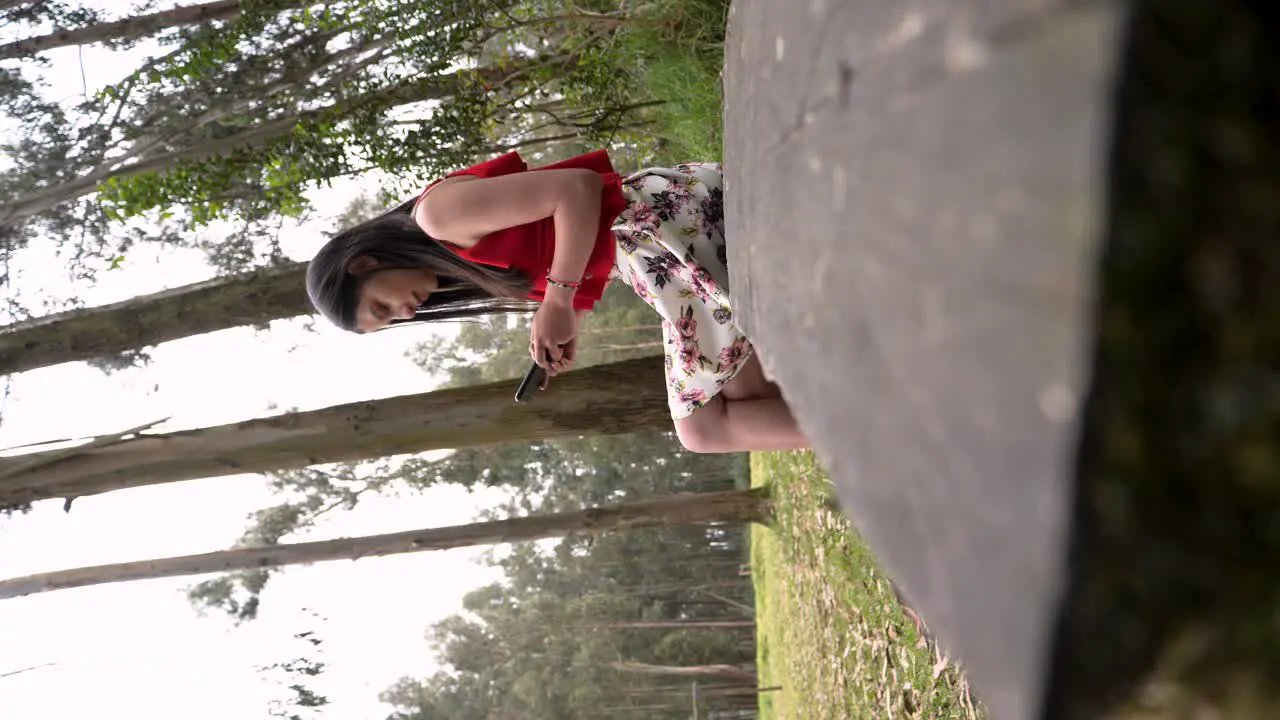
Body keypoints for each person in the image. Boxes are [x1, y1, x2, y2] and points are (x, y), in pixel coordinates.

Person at [305, 149, 808, 454]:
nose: (405, 314)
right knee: (735, 402)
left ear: (364, 264)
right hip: (653, 246)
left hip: (661, 224)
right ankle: (865, 428)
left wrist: (560, 300)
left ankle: (875, 442)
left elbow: (577, 189)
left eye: (382, 308)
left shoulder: (437, 217)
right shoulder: (445, 253)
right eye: (391, 322)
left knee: (701, 429)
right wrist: (567, 319)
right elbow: (568, 247)